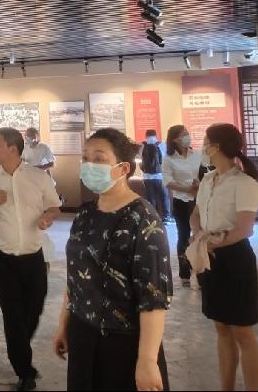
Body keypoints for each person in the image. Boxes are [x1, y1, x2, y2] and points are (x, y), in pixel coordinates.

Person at [52, 128, 172, 391]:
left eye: (99, 158)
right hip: (83, 334)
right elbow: (75, 277)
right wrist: (65, 322)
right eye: (85, 158)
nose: (89, 165)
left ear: (123, 168)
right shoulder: (85, 215)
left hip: (124, 342)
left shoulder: (143, 219)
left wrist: (147, 359)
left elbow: (153, 296)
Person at [0, 128, 61, 391]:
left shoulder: (38, 176)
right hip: (4, 259)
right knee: (12, 315)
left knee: (33, 310)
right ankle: (24, 371)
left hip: (34, 257)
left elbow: (54, 205)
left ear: (13, 148)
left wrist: (48, 217)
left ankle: (20, 347)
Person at [190, 123, 258, 391]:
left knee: (242, 331)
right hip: (210, 256)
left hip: (235, 259)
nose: (202, 147)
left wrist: (212, 243)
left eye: (205, 141)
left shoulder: (244, 183)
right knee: (221, 327)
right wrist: (198, 235)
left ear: (216, 147)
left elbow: (244, 229)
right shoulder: (208, 179)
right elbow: (196, 213)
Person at [161, 124, 201, 288]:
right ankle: (185, 273)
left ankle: (201, 271)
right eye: (184, 134)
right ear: (175, 139)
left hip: (199, 199)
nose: (187, 137)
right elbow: (167, 182)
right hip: (181, 201)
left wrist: (199, 184)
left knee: (200, 234)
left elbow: (205, 173)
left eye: (187, 133)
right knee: (184, 235)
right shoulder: (169, 159)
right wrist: (187, 189)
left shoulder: (197, 154)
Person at [141, 129, 167, 220]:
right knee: (164, 196)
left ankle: (153, 217)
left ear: (146, 136)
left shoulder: (142, 145)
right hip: (160, 176)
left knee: (151, 198)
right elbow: (165, 159)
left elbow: (140, 160)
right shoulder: (161, 145)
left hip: (147, 177)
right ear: (156, 135)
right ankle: (167, 217)